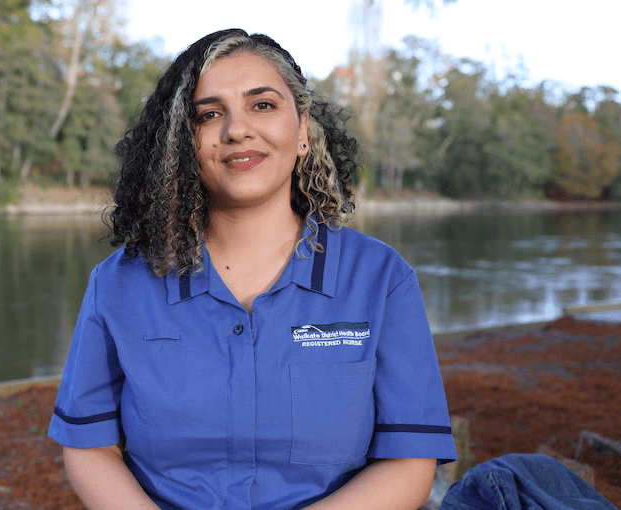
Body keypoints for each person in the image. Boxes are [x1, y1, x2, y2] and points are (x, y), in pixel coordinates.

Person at [48, 28, 457, 510]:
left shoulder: (381, 279)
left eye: (262, 105)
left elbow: (409, 463)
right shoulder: (117, 283)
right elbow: (88, 446)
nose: (237, 129)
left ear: (302, 129)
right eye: (209, 114)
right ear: (183, 143)